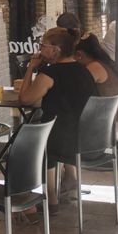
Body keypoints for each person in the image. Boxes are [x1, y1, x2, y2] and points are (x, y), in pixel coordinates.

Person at [16, 28, 99, 208]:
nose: (39, 49)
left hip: (55, 135)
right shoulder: (84, 70)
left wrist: (30, 68)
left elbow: (25, 99)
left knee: (25, 140)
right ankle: (66, 183)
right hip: (79, 134)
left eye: (43, 45)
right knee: (52, 130)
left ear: (56, 50)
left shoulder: (50, 73)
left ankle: (50, 197)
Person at [74, 33, 118, 97]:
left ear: (79, 54)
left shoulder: (94, 67)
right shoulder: (105, 60)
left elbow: (78, 92)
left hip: (113, 106)